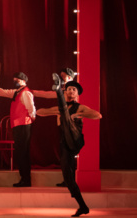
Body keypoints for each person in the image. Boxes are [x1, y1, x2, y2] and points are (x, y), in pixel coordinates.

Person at [37, 74, 102, 217]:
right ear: (66, 92)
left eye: (74, 89)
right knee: (68, 177)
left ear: (77, 93)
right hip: (64, 143)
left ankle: (57, 89)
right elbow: (40, 112)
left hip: (75, 139)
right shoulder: (60, 109)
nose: (71, 91)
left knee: (66, 116)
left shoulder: (80, 108)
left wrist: (78, 115)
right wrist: (53, 112)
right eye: (69, 89)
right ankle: (83, 206)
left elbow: (98, 115)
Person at [0, 71, 35, 187]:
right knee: (20, 152)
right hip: (18, 125)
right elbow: (1, 91)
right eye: (14, 80)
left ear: (24, 81)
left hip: (24, 125)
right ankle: (24, 178)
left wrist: (31, 119)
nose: (15, 82)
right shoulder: (16, 93)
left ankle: (26, 180)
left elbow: (31, 109)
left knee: (23, 153)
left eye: (17, 80)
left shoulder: (25, 93)